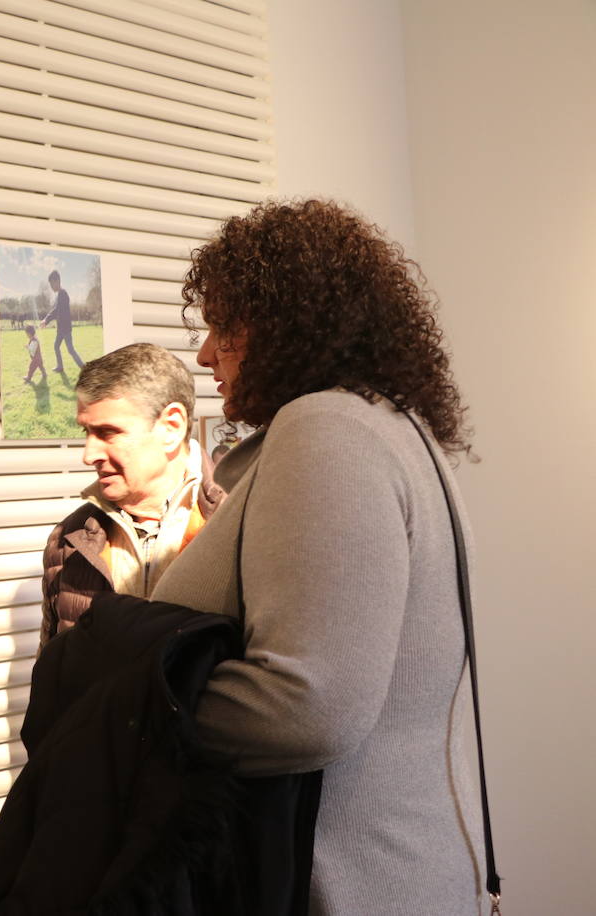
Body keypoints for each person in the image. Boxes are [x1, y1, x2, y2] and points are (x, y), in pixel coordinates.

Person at [153, 198, 487, 914]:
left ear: (286, 324)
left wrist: (125, 696)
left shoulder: (328, 428)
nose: (207, 354)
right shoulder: (394, 428)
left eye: (224, 328)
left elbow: (307, 711)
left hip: (344, 886)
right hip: (399, 874)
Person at [39, 343, 224, 645]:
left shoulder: (242, 521)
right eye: (87, 432)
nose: (89, 454)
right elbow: (53, 676)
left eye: (108, 432)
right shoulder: (67, 541)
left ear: (171, 427)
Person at [40, 268, 84, 372]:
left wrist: (46, 320)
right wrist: (46, 320)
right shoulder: (59, 295)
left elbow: (56, 311)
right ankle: (60, 367)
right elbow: (56, 310)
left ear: (57, 281)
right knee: (56, 346)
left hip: (65, 329)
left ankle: (84, 368)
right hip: (60, 329)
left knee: (70, 350)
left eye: (52, 284)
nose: (51, 287)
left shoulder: (63, 294)